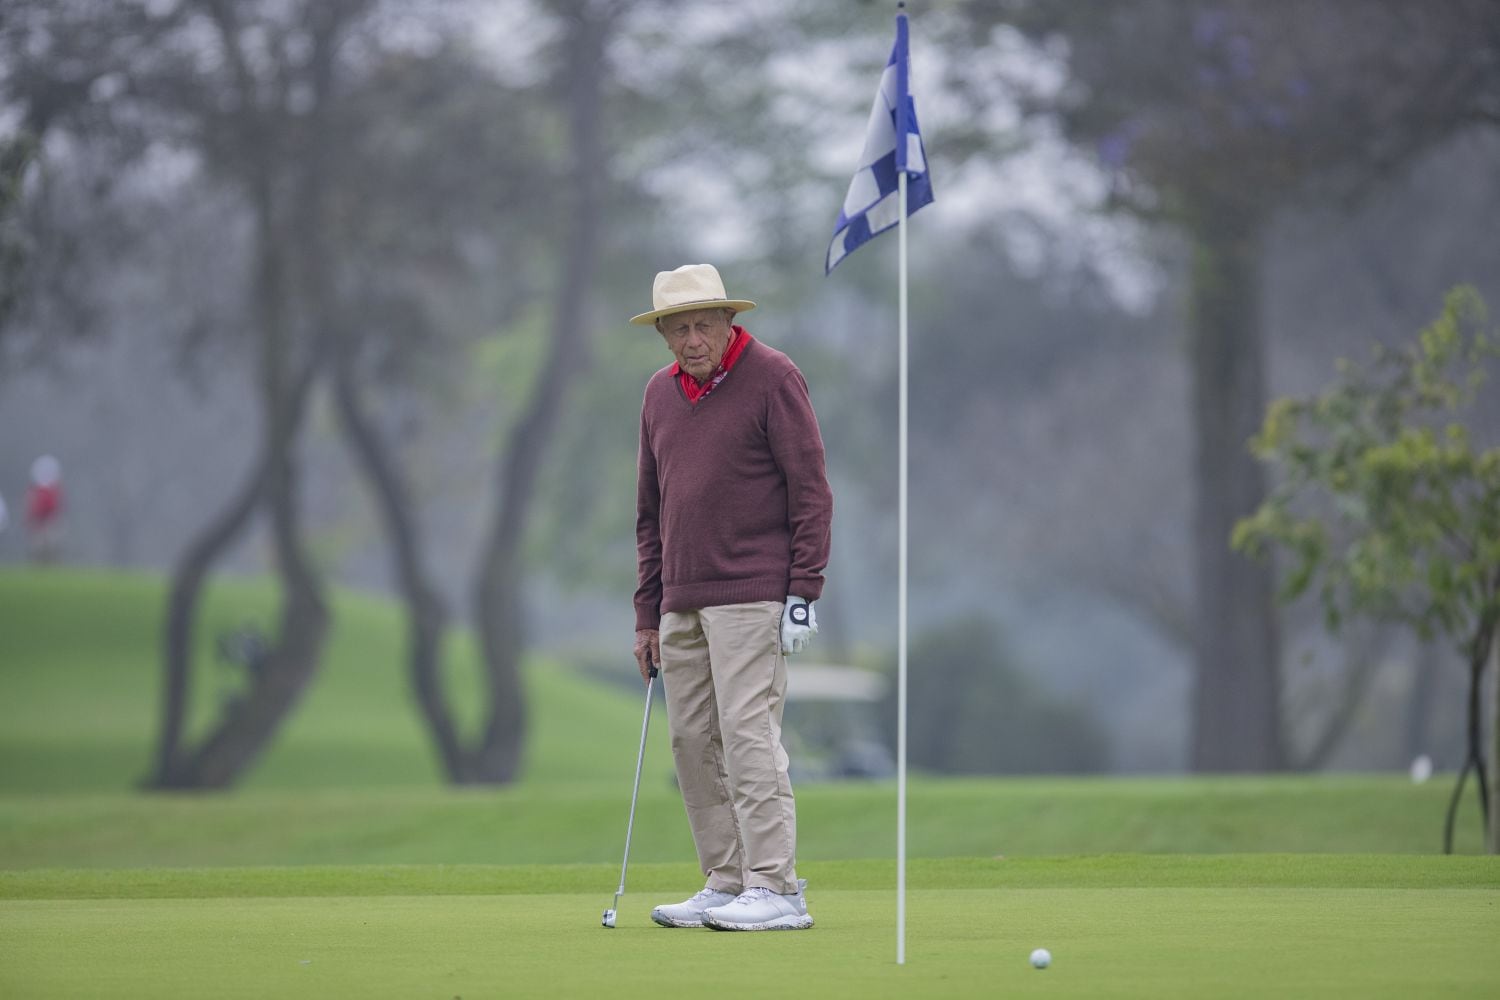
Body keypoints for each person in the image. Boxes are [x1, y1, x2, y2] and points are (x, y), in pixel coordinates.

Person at [631, 263, 833, 932]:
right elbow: (649, 512)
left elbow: (810, 490)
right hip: (681, 599)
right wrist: (647, 613)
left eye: (702, 325)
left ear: (728, 322)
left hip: (753, 593)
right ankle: (726, 880)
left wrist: (804, 590)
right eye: (678, 328)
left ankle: (777, 886)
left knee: (748, 735)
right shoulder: (659, 394)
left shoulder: (774, 377)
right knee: (692, 740)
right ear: (663, 334)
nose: (692, 339)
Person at [25, 455, 64, 564]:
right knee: (38, 546)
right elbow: (33, 506)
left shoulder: (53, 490)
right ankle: (39, 566)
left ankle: (52, 565)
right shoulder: (36, 491)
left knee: (51, 546)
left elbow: (56, 506)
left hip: (50, 520)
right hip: (39, 521)